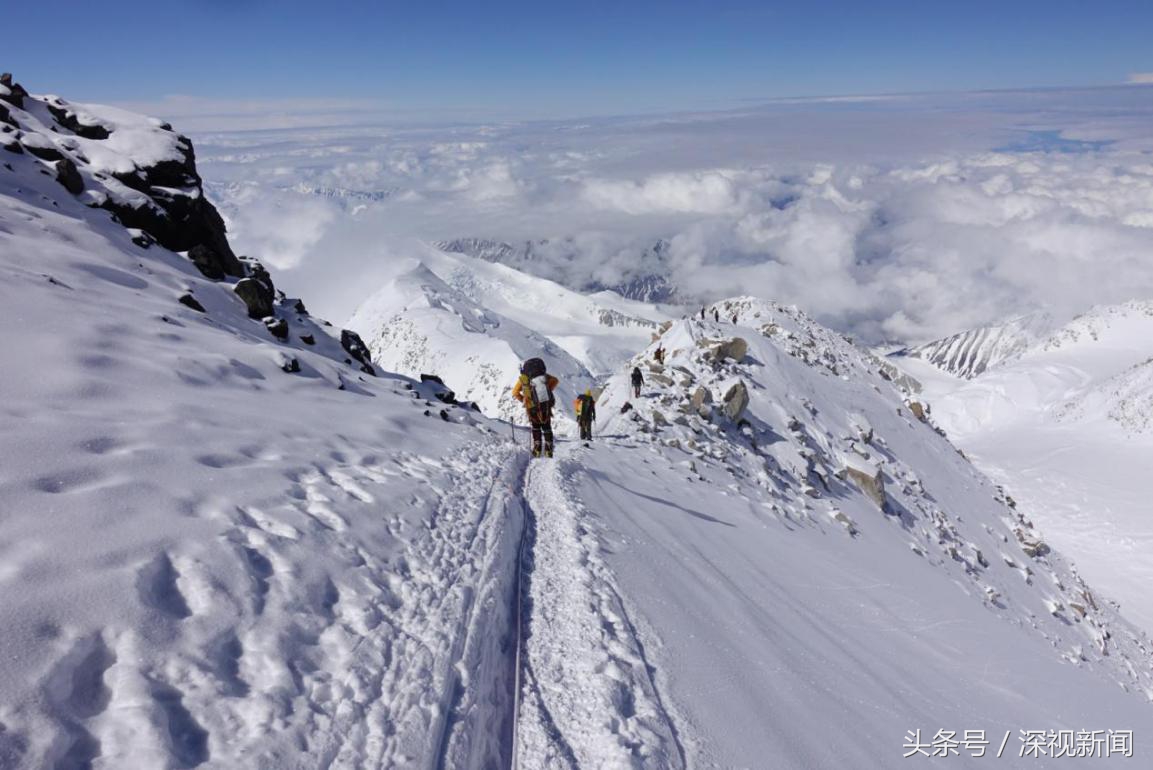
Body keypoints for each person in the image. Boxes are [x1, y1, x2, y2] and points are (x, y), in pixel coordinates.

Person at [513, 358, 559, 458]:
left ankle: (537, 450)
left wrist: (525, 400)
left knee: (536, 427)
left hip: (531, 407)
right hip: (545, 404)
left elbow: (515, 393)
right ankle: (548, 450)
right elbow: (555, 381)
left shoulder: (523, 380)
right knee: (547, 427)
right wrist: (548, 390)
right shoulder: (544, 377)